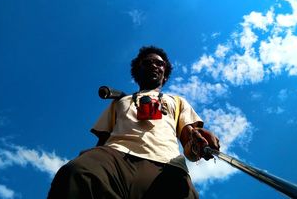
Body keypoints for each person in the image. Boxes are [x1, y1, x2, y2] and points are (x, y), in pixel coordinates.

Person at [47, 46, 220, 199]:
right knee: (78, 172)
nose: (154, 65)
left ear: (165, 73)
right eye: (148, 62)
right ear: (138, 71)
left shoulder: (176, 100)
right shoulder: (120, 101)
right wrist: (92, 160)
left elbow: (188, 135)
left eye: (159, 63)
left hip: (167, 165)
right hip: (116, 158)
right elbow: (103, 139)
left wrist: (197, 142)